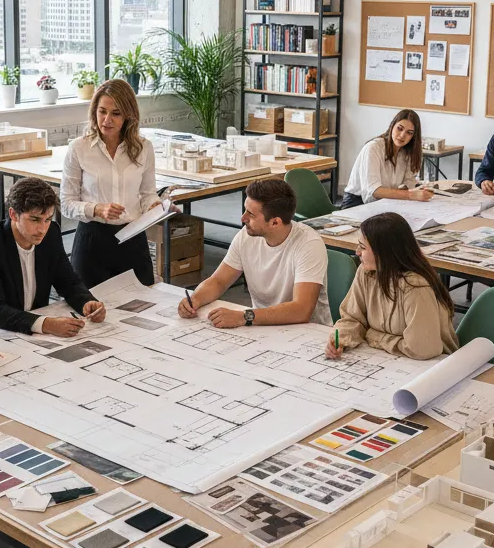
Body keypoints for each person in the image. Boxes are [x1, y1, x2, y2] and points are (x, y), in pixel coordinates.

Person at [178, 178, 331, 327]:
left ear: (275, 222)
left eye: (250, 214)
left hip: (307, 332)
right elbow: (219, 281)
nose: (243, 218)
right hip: (260, 324)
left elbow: (301, 310)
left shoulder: (308, 244)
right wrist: (196, 299)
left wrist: (244, 316)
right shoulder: (246, 236)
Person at [0, 178, 106, 335]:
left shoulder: (51, 233)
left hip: (33, 330)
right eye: (34, 220)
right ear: (13, 214)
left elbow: (67, 281)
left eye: (48, 219)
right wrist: (46, 324)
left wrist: (86, 302)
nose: (42, 229)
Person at [61, 79, 162, 288]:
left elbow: (147, 194)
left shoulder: (144, 148)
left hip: (133, 239)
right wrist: (97, 209)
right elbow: (66, 203)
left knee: (143, 302)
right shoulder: (79, 148)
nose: (107, 120)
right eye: (102, 111)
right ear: (94, 112)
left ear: (128, 116)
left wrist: (155, 206)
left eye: (116, 113)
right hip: (92, 241)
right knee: (88, 304)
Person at [326, 211, 458, 361]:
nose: (357, 252)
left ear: (383, 253)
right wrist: (340, 339)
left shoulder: (415, 286)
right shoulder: (366, 272)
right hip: (392, 358)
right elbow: (353, 318)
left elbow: (423, 349)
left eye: (362, 247)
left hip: (435, 364)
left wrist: (374, 336)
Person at [341, 109, 432, 208]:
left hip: (386, 202)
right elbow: (373, 191)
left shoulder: (407, 153)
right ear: (392, 126)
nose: (402, 135)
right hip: (357, 204)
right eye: (399, 128)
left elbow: (408, 183)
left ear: (413, 137)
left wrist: (416, 190)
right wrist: (410, 195)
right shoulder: (373, 148)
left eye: (409, 133)